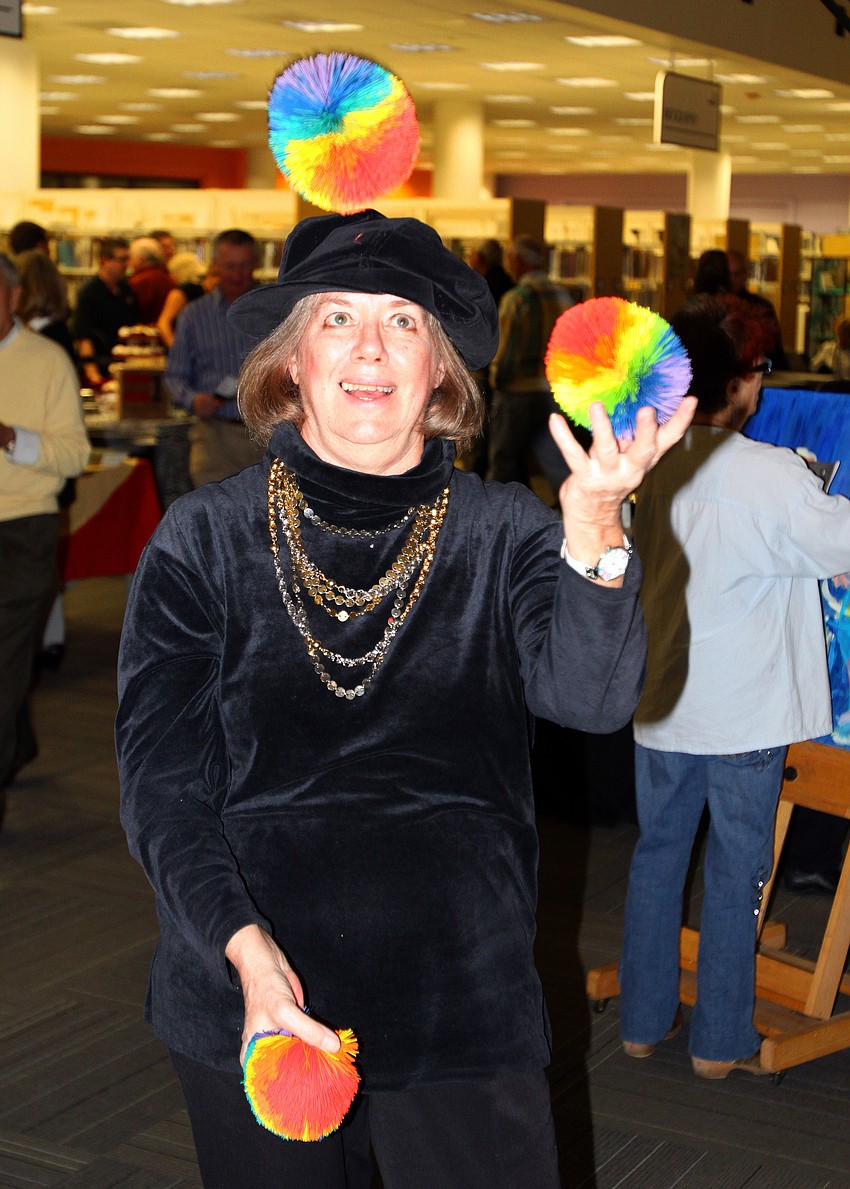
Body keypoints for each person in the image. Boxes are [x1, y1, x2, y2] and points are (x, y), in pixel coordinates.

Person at [117, 208, 694, 1189]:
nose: (370, 347)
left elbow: (593, 702)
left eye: (403, 320)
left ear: (440, 373)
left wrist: (595, 531)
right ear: (290, 362)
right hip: (255, 991)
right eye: (336, 319)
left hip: (459, 997)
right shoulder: (201, 538)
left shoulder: (506, 529)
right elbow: (162, 781)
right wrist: (245, 952)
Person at [618, 294, 850, 1080]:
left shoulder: (648, 458)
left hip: (662, 700)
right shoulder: (772, 473)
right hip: (746, 712)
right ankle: (719, 1041)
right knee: (737, 868)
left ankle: (642, 1024)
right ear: (745, 381)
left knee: (657, 859)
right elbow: (837, 542)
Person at [0, 253, 89, 798]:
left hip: (20, 529)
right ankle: (16, 740)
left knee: (4, 663)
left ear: (12, 297)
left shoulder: (47, 360)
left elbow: (75, 454)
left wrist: (11, 438)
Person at [165, 228, 263, 486]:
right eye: (230, 266)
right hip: (213, 437)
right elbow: (174, 376)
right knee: (214, 519)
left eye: (244, 266)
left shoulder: (273, 311)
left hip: (267, 437)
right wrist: (194, 400)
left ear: (255, 265)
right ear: (215, 267)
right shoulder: (194, 315)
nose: (238, 274)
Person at [486, 234, 573, 492]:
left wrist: (494, 384)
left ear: (518, 261)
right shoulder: (563, 295)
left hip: (517, 392)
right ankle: (568, 510)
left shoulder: (517, 298)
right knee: (555, 459)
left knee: (503, 461)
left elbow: (504, 352)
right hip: (552, 390)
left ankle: (498, 519)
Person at [71, 237, 140, 388]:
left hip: (124, 365)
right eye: (121, 260)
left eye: (127, 259)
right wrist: (93, 375)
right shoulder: (89, 293)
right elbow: (84, 338)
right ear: (104, 261)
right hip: (101, 365)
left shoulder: (126, 290)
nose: (126, 265)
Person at [727, 248, 789, 370]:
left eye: (738, 274)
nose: (733, 279)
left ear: (745, 275)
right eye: (729, 274)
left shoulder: (761, 307)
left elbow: (774, 350)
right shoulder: (713, 307)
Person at [156, 251, 215, 349]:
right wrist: (177, 351)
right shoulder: (186, 291)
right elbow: (163, 323)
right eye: (214, 275)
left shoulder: (219, 297)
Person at [127, 236, 175, 324]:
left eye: (130, 257)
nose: (128, 262)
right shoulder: (169, 279)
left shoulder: (138, 282)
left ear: (139, 259)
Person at [469, 237, 514, 309]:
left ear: (480, 258)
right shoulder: (510, 281)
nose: (470, 259)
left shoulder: (482, 288)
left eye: (473, 254)